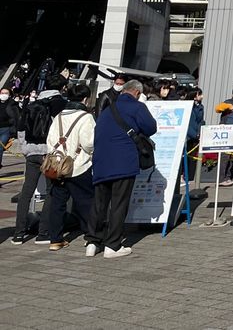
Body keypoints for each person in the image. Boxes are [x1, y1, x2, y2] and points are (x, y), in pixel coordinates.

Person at [91, 78, 157, 258]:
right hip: (123, 161)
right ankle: (112, 245)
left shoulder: (107, 109)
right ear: (137, 93)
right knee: (119, 203)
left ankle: (92, 242)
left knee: (99, 203)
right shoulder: (137, 107)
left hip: (101, 161)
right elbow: (151, 127)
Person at [10, 74, 67, 244]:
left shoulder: (32, 103)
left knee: (27, 192)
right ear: (62, 87)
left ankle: (18, 233)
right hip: (49, 155)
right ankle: (43, 232)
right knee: (52, 190)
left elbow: (21, 128)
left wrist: (25, 149)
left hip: (31, 154)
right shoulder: (61, 104)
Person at [41, 82, 98, 253]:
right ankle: (90, 237)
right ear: (85, 99)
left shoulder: (58, 116)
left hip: (57, 167)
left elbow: (50, 141)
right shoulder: (85, 117)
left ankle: (55, 239)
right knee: (85, 201)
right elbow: (89, 144)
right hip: (78, 165)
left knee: (57, 202)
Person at [0, 86, 18, 169]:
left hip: (6, 129)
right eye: (2, 93)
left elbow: (16, 118)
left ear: (10, 95)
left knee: (0, 147)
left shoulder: (13, 104)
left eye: (6, 93)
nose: (3, 95)